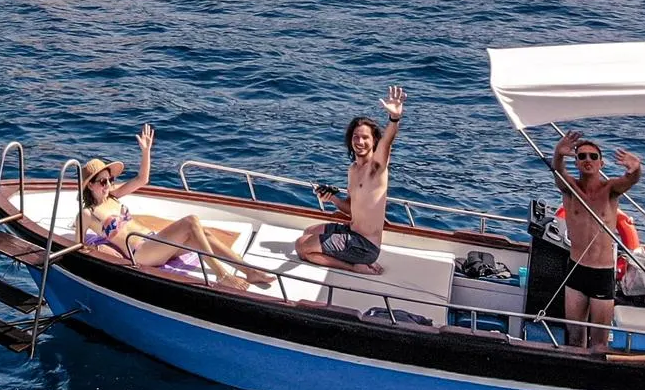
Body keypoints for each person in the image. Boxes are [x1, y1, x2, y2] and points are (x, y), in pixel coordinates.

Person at [78, 123, 274, 291]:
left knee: (203, 233)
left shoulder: (114, 195)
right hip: (141, 252)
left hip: (154, 241)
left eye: (110, 179)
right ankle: (221, 275)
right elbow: (77, 244)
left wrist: (146, 152)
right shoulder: (88, 213)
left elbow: (142, 179)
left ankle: (249, 271)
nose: (108, 185)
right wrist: (99, 247)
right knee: (190, 222)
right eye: (103, 182)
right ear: (91, 185)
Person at [294, 85, 405, 275]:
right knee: (308, 232)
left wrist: (394, 118)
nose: (359, 142)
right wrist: (332, 199)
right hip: (351, 231)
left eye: (365, 138)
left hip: (364, 246)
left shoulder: (376, 169)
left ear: (374, 141)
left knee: (302, 247)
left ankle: (355, 266)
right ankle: (341, 256)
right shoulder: (353, 170)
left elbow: (387, 141)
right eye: (356, 137)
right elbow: (352, 209)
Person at [552, 131, 642, 350]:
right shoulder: (570, 188)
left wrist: (636, 167)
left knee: (600, 343)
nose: (587, 160)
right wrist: (558, 153)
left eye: (593, 156)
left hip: (601, 273)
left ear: (601, 163)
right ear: (577, 162)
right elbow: (557, 170)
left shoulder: (610, 189)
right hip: (576, 270)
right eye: (581, 156)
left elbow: (630, 179)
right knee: (574, 338)